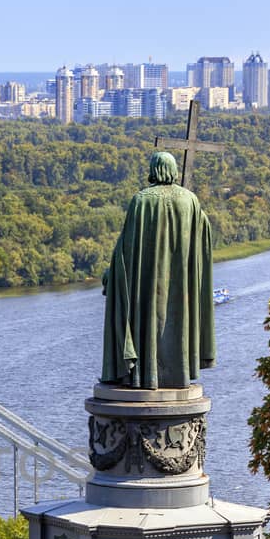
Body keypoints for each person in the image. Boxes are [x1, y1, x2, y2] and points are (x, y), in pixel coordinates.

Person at [100, 150, 216, 390]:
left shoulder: (142, 201)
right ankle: (178, 374)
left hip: (148, 286)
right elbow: (203, 234)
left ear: (153, 170)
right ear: (173, 171)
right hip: (181, 286)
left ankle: (145, 374)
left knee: (148, 321)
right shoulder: (190, 200)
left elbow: (127, 249)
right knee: (178, 321)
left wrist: (113, 275)